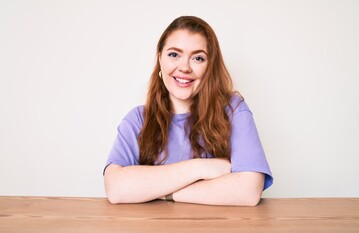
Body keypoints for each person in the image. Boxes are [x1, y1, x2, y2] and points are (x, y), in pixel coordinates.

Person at [104, 16, 273, 206]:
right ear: (160, 58)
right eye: (174, 55)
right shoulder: (137, 120)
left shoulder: (233, 110)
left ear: (210, 66)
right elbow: (117, 189)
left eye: (198, 58)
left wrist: (163, 192)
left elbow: (248, 192)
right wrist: (201, 168)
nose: (184, 67)